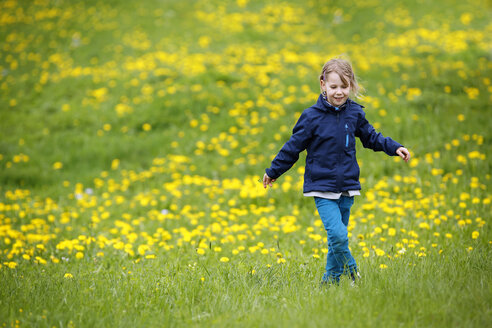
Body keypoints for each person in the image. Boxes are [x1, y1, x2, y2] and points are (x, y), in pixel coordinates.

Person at [262, 58, 410, 285]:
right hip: (322, 187)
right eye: (333, 87)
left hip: (347, 187)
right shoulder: (311, 117)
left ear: (350, 85)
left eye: (344, 87)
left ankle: (329, 283)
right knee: (339, 235)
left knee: (336, 241)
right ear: (322, 84)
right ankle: (353, 271)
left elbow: (371, 137)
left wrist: (394, 147)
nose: (339, 92)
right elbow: (293, 147)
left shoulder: (355, 114)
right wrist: (274, 171)